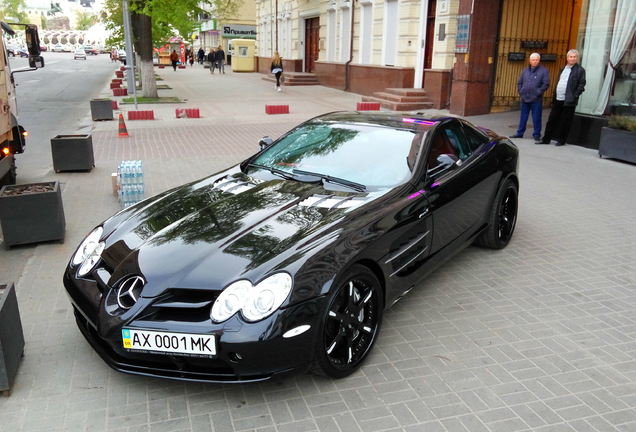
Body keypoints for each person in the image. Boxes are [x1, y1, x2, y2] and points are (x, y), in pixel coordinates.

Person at [540, 49, 586, 146]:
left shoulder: (580, 70)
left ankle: (561, 140)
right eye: (571, 57)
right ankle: (546, 139)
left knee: (565, 122)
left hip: (569, 100)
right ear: (567, 58)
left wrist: (574, 96)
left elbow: (581, 85)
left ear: (577, 58)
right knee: (552, 119)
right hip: (558, 98)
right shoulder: (563, 69)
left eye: (574, 57)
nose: (572, 59)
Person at [510, 53, 550, 143]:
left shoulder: (544, 71)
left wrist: (538, 92)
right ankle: (519, 133)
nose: (535, 61)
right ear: (530, 61)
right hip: (525, 97)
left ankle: (536, 135)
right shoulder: (525, 71)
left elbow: (546, 84)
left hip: (536, 99)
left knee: (536, 117)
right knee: (523, 117)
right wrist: (521, 91)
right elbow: (519, 82)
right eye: (533, 60)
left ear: (539, 60)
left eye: (536, 60)